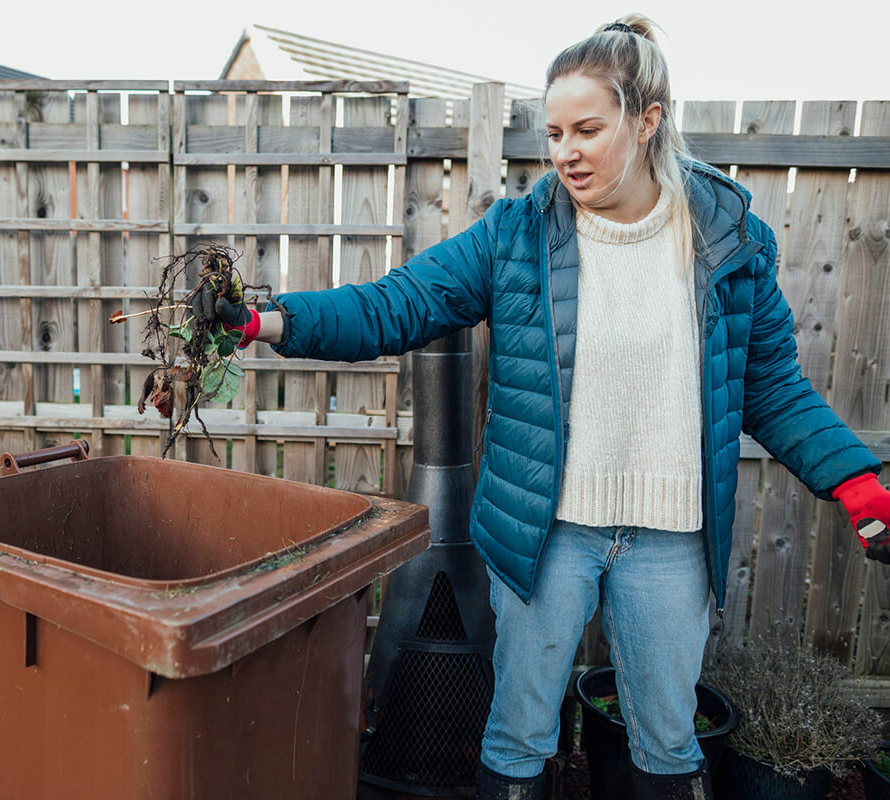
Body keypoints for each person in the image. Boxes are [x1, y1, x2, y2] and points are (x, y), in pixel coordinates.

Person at [215, 14, 890, 800]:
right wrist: (270, 321)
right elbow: (398, 303)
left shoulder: (727, 240)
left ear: (647, 121)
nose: (564, 151)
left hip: (673, 541)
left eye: (588, 129)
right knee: (519, 729)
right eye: (555, 130)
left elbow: (772, 386)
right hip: (547, 532)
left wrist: (854, 480)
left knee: (669, 741)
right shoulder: (518, 233)